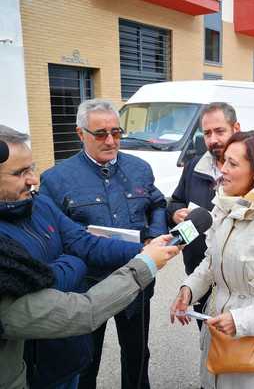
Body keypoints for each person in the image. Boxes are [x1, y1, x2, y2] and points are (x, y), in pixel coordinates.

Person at [0, 125, 148, 389]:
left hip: (69, 353)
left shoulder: (40, 205)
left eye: (31, 167)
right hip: (33, 370)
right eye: (20, 172)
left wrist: (144, 250)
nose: (33, 179)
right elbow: (63, 294)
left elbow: (82, 242)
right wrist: (74, 263)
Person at [40, 99, 167, 389]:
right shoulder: (56, 180)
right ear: (80, 133)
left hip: (137, 283)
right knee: (85, 359)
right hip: (87, 288)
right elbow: (52, 237)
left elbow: (157, 203)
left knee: (137, 355)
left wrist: (154, 234)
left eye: (116, 132)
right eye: (100, 134)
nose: (110, 141)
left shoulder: (139, 169)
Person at [170, 130, 254, 389]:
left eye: (232, 164)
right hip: (217, 342)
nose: (222, 169)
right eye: (223, 161)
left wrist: (240, 321)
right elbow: (211, 263)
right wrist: (189, 289)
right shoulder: (224, 207)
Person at [0, 234, 180, 389]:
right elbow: (85, 311)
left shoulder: (40, 203)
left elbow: (80, 239)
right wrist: (145, 262)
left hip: (123, 294)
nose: (33, 192)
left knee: (135, 354)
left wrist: (146, 247)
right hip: (50, 347)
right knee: (88, 364)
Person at [167, 102, 240, 329]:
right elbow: (176, 200)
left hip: (236, 280)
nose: (213, 139)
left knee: (239, 351)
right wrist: (175, 213)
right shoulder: (193, 166)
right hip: (199, 270)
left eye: (220, 131)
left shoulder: (251, 171)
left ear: (236, 128)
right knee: (209, 343)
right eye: (207, 133)